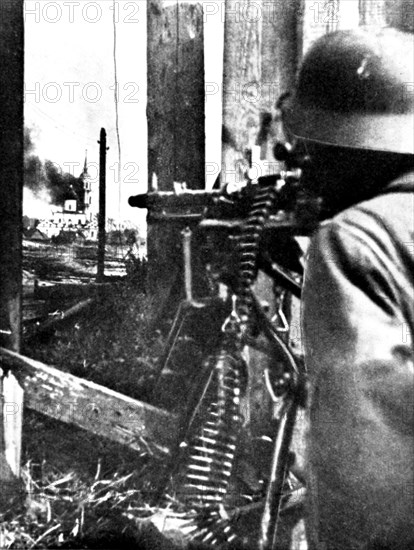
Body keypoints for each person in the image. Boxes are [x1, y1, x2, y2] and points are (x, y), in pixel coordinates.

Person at [284, 28, 414, 549]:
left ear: (351, 144)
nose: (304, 160)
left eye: (314, 143)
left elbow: (368, 466)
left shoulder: (357, 239)